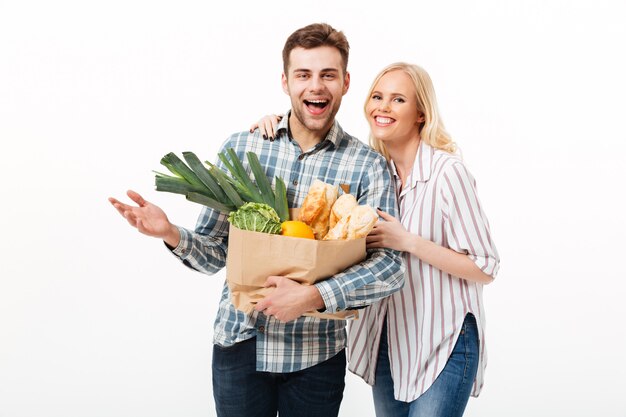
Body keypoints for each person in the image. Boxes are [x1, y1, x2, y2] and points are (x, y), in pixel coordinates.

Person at [108, 23, 405, 417]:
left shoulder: (368, 166)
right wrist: (170, 233)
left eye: (328, 75)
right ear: (285, 81)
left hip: (315, 355)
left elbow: (389, 267)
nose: (315, 86)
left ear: (346, 82)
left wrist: (314, 296)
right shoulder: (244, 147)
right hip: (239, 347)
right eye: (303, 74)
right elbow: (214, 254)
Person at [253, 62, 500, 417]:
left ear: (420, 113)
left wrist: (410, 242)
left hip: (444, 341)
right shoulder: (375, 172)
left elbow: (485, 266)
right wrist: (274, 124)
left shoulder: (447, 174)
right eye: (377, 97)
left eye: (398, 99)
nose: (383, 107)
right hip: (390, 341)